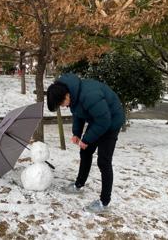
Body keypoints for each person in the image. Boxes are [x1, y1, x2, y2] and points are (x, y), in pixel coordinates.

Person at [47, 73, 125, 213]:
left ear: (66, 96)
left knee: (104, 161)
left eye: (61, 104)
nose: (63, 107)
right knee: (86, 151)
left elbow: (104, 121)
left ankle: (104, 203)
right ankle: (79, 185)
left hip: (111, 121)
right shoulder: (73, 94)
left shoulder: (89, 95)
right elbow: (78, 113)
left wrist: (86, 139)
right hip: (99, 119)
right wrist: (77, 133)